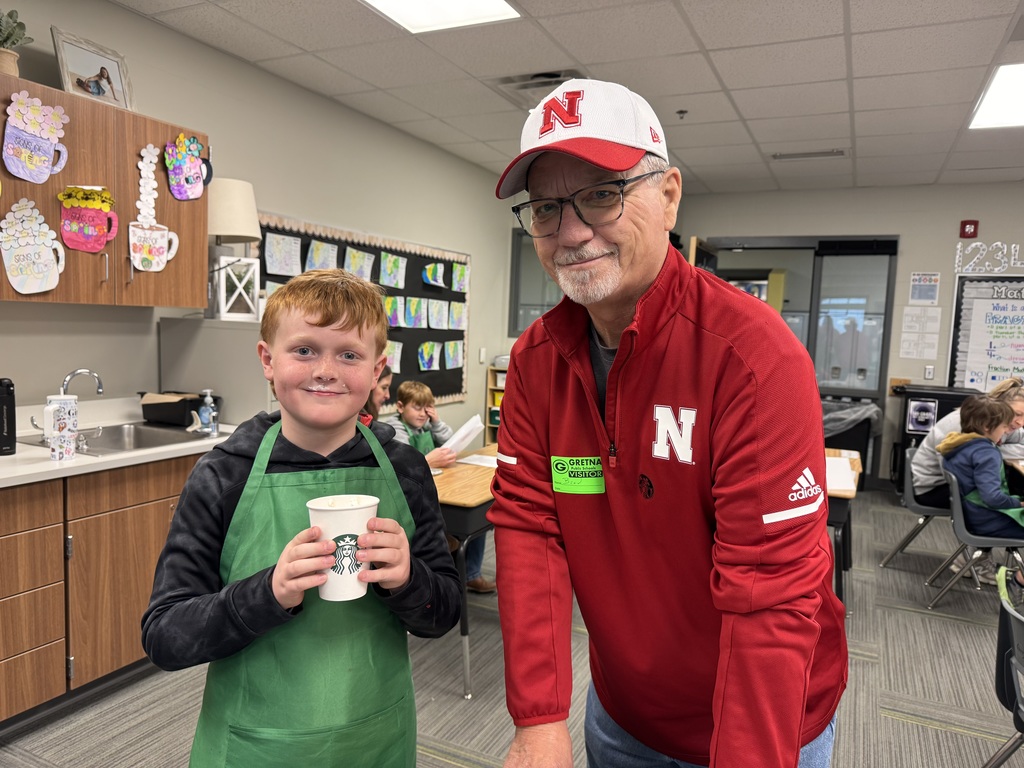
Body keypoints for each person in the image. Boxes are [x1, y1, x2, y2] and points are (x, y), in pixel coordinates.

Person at [488, 78, 847, 767]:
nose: (570, 231)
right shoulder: (537, 360)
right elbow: (532, 530)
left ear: (670, 195)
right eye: (547, 207)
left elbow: (771, 597)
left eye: (602, 194)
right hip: (622, 712)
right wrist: (537, 717)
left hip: (760, 728)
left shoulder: (751, 358)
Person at [141, 269, 461, 767]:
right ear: (268, 360)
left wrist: (408, 579)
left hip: (376, 738)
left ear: (378, 371)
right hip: (256, 745)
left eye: (349, 354)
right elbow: (165, 636)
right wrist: (267, 593)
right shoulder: (223, 476)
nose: (326, 370)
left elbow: (443, 614)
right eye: (305, 350)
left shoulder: (405, 470)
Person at [384, 380, 497, 593]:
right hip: (413, 497)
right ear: (400, 407)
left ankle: (471, 574)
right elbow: (401, 464)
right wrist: (427, 460)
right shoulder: (395, 428)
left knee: (476, 516)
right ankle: (444, 576)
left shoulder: (427, 425)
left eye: (427, 409)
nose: (422, 414)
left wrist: (436, 422)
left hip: (440, 486)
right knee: (458, 524)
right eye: (417, 408)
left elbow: (450, 440)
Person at [909, 378, 1024, 584]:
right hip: (933, 486)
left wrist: (996, 450)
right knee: (1002, 490)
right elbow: (975, 486)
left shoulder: (985, 428)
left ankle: (976, 557)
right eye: (1016, 415)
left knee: (1000, 486)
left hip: (968, 499)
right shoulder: (965, 425)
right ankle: (982, 561)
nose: (1018, 424)